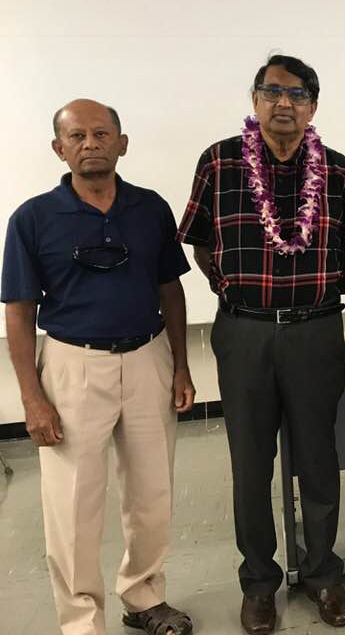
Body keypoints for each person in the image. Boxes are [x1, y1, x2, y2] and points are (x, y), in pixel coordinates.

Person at [177, 55, 345, 632]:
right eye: (272, 91)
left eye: (298, 93)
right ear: (254, 100)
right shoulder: (220, 161)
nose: (285, 103)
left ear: (314, 105)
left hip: (316, 330)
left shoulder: (339, 171)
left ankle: (322, 574)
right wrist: (237, 291)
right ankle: (259, 582)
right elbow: (201, 243)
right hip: (246, 331)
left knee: (318, 460)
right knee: (251, 465)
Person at [1, 99, 195, 635]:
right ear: (58, 148)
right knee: (72, 505)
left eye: (102, 133)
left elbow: (169, 289)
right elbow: (19, 314)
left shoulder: (150, 208)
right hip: (71, 365)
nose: (91, 143)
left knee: (152, 493)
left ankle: (144, 597)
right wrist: (31, 397)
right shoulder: (32, 218)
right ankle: (82, 620)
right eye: (78, 136)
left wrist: (180, 366)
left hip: (148, 357)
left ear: (122, 142)